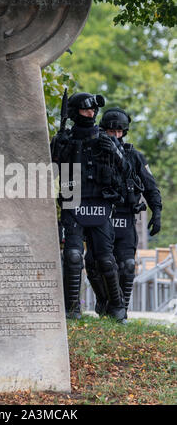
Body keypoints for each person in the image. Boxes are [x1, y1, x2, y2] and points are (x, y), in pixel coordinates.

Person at [51, 93, 132, 322]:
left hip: (100, 203)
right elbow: (50, 171)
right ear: (75, 112)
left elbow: (126, 170)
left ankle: (117, 308)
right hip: (73, 201)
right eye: (86, 110)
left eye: (93, 110)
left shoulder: (105, 138)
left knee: (105, 259)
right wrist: (59, 148)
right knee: (73, 256)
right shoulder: (64, 138)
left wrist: (115, 150)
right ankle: (72, 309)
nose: (91, 113)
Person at [85, 107, 162, 319]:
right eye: (111, 132)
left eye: (119, 132)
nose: (116, 136)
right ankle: (104, 301)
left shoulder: (134, 156)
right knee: (93, 264)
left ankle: (121, 312)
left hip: (125, 216)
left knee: (127, 265)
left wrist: (157, 212)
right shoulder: (93, 152)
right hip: (100, 216)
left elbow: (150, 186)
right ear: (103, 131)